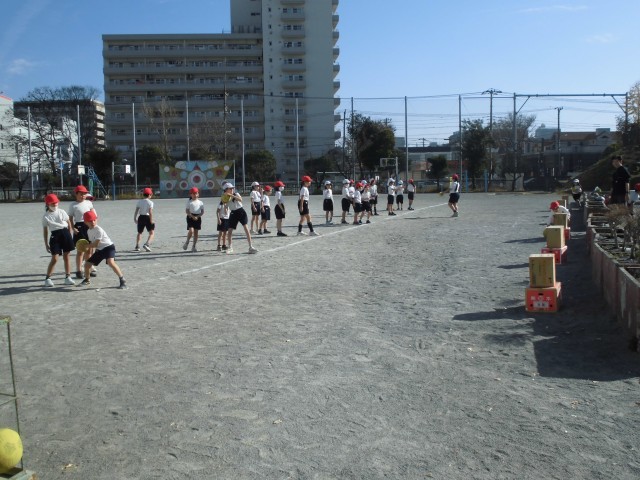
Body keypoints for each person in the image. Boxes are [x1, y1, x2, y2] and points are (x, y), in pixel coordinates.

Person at [80, 210, 127, 289]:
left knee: (111, 262)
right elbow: (93, 243)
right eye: (90, 221)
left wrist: (86, 246)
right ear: (85, 222)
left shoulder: (98, 230)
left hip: (108, 247)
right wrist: (87, 249)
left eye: (94, 220)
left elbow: (95, 244)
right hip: (100, 250)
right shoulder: (88, 231)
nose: (93, 222)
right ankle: (87, 279)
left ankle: (122, 280)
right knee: (87, 265)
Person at [42, 193, 76, 287]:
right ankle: (48, 278)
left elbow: (68, 223)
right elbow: (45, 231)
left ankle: (68, 277)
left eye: (56, 203)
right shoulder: (46, 216)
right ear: (48, 204)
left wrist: (69, 234)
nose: (55, 205)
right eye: (53, 203)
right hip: (55, 236)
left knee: (67, 256)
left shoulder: (61, 211)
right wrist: (46, 244)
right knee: (55, 258)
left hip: (65, 234)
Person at [68, 185, 97, 279]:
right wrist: (73, 228)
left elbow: (93, 215)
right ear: (76, 194)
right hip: (79, 227)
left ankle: (88, 268)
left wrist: (94, 226)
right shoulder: (73, 205)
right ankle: (78, 270)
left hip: (89, 226)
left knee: (89, 250)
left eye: (84, 194)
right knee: (80, 251)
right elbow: (70, 218)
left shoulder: (89, 203)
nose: (83, 196)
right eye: (81, 194)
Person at [225, 183, 258, 254]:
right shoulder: (225, 197)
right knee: (230, 230)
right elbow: (225, 206)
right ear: (226, 189)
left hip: (240, 211)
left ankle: (250, 246)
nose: (232, 189)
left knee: (246, 228)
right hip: (233, 213)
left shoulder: (236, 194)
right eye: (230, 188)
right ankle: (230, 247)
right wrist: (225, 208)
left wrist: (232, 195)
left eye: (232, 188)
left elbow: (240, 199)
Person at [133, 187, 155, 252]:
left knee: (139, 232)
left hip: (141, 217)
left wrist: (135, 218)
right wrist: (151, 220)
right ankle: (147, 244)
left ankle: (137, 246)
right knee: (151, 233)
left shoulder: (139, 201)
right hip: (147, 217)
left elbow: (136, 210)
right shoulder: (150, 202)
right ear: (150, 195)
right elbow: (150, 212)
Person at [183, 187, 204, 252]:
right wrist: (192, 216)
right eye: (193, 194)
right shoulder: (189, 202)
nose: (195, 195)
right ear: (191, 194)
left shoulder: (200, 202)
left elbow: (202, 212)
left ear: (198, 194)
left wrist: (197, 216)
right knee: (191, 230)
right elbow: (187, 211)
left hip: (198, 217)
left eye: (196, 193)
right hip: (190, 217)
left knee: (196, 232)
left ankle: (194, 246)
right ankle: (187, 242)